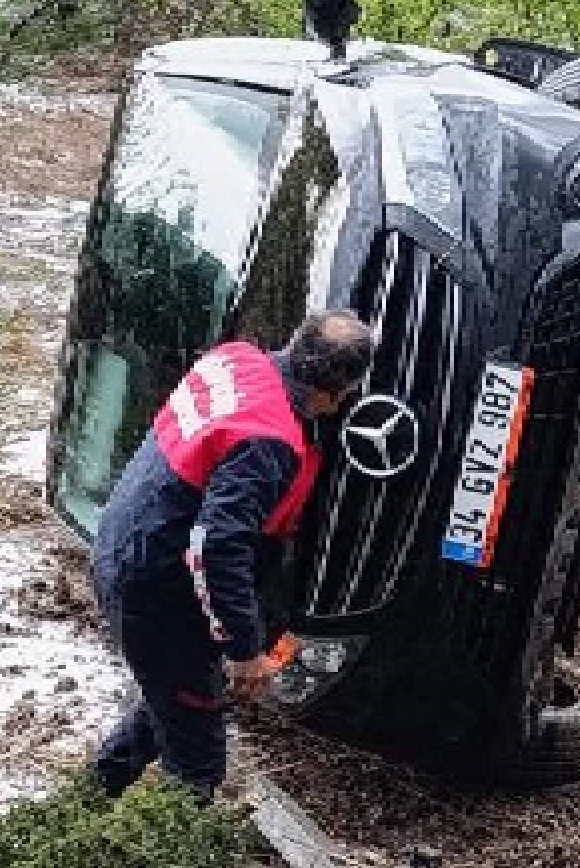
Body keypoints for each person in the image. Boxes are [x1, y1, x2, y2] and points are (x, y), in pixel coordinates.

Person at [89, 309, 375, 801]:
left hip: (128, 542)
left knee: (172, 696)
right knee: (198, 760)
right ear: (336, 393)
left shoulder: (237, 359)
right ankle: (161, 840)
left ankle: (93, 798)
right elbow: (217, 547)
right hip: (156, 588)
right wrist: (244, 651)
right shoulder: (268, 444)